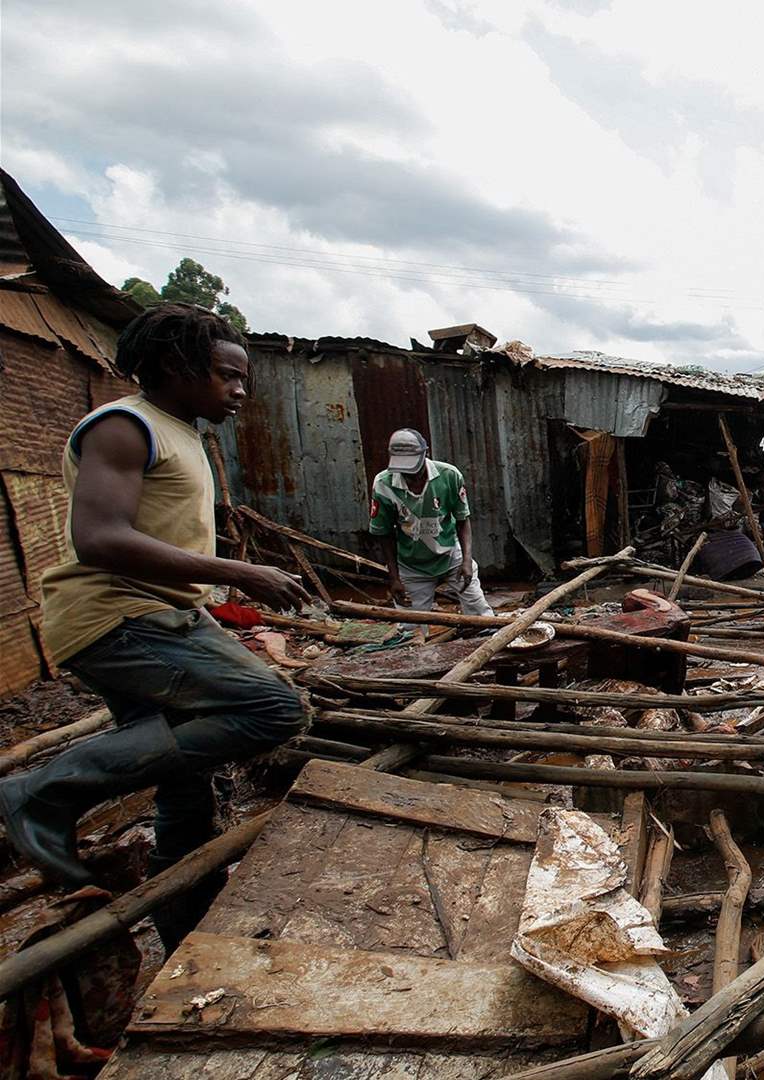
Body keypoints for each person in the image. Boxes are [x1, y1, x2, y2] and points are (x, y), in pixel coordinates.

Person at [0, 305, 311, 947]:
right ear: (175, 366)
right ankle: (39, 791)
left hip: (155, 612)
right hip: (120, 615)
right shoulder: (124, 426)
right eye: (227, 375)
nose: (240, 391)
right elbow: (99, 538)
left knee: (186, 789)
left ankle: (183, 926)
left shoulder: (179, 432)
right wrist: (240, 572)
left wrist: (204, 597)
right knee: (273, 709)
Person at [369, 429, 494, 616]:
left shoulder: (449, 475)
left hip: (451, 555)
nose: (411, 477)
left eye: (415, 471)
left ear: (425, 454)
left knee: (482, 616)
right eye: (406, 473)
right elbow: (384, 534)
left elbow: (462, 520)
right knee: (411, 629)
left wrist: (467, 560)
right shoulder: (383, 484)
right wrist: (394, 578)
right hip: (411, 565)